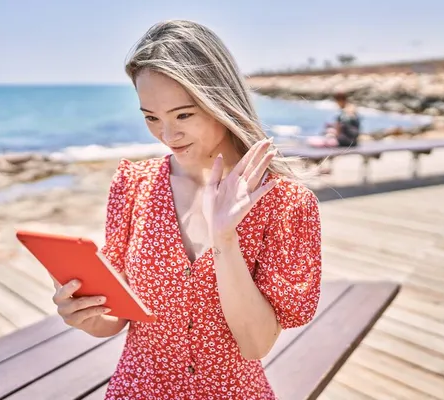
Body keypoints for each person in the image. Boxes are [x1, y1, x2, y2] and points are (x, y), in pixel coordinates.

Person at [51, 20, 322, 399]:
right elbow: (116, 320)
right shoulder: (133, 185)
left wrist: (224, 238)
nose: (167, 135)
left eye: (183, 115)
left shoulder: (285, 203)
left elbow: (255, 344)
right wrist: (85, 315)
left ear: (221, 101)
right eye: (151, 117)